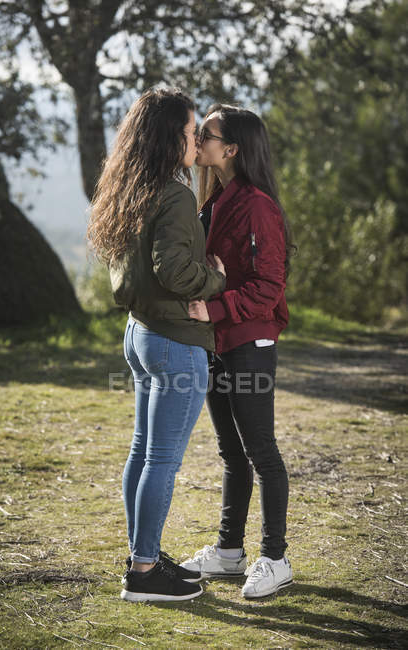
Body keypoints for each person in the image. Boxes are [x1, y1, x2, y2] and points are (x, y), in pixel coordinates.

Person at [87, 88, 226, 602]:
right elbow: (174, 269)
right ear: (172, 138)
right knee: (161, 459)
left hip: (140, 333)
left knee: (144, 452)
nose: (196, 141)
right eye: (192, 133)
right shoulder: (174, 193)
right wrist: (214, 280)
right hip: (173, 340)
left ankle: (141, 554)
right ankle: (144, 572)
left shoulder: (131, 187)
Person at [180, 104, 295, 599]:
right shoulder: (216, 198)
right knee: (232, 453)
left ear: (231, 149)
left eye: (206, 133)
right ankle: (229, 552)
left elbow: (270, 285)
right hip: (219, 341)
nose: (198, 139)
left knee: (261, 452)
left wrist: (217, 307)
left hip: (250, 339)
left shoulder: (259, 206)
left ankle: (275, 557)